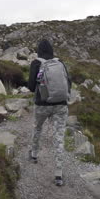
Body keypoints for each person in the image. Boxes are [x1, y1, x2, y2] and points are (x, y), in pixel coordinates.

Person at [28, 39, 71, 186]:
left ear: (39, 50)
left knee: (37, 127)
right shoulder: (60, 63)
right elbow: (68, 83)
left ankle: (34, 155)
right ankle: (58, 173)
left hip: (42, 105)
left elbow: (31, 87)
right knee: (59, 136)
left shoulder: (36, 63)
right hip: (61, 105)